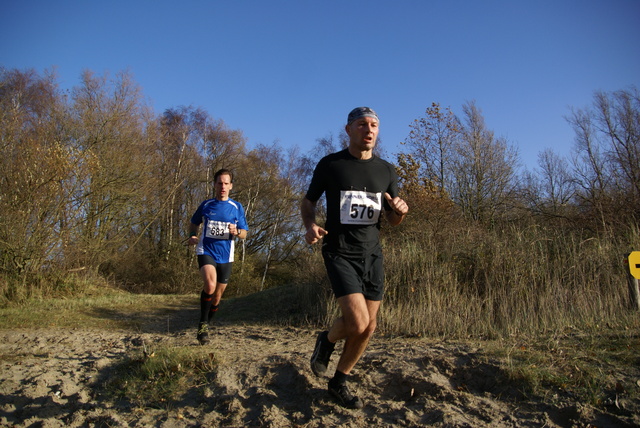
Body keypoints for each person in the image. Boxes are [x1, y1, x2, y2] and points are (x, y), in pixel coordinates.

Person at [301, 107, 409, 409]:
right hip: (339, 251)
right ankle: (328, 342)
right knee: (358, 321)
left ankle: (338, 378)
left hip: (372, 253)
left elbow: (392, 219)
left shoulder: (386, 170)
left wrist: (399, 211)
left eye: (374, 125)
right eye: (362, 124)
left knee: (369, 327)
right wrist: (310, 225)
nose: (369, 129)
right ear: (348, 129)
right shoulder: (331, 164)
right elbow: (308, 201)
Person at [188, 168, 249, 345]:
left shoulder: (237, 207)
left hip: (226, 256)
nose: (222, 186)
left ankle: (207, 323)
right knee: (210, 285)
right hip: (206, 251)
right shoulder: (206, 205)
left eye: (226, 183)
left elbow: (244, 233)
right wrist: (193, 235)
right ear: (214, 185)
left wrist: (236, 231)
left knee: (217, 297)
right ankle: (202, 323)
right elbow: (194, 222)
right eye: (219, 183)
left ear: (231, 186)